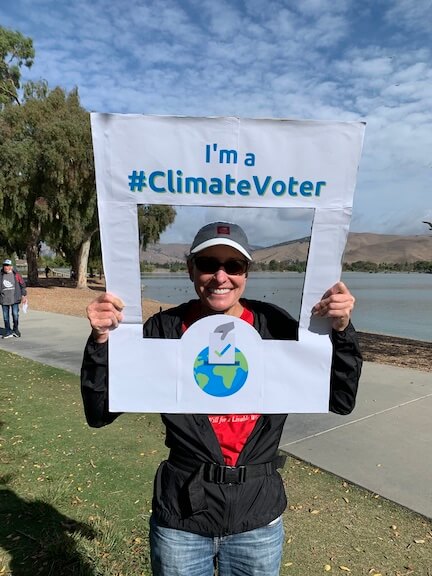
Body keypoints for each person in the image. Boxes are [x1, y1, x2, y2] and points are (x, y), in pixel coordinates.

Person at [81, 222, 362, 576]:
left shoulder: (275, 325)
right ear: (190, 268)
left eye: (233, 266)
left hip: (257, 517)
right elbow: (100, 412)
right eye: (208, 264)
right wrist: (101, 342)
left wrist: (341, 331)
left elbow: (340, 398)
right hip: (182, 517)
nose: (220, 276)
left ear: (246, 273)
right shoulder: (162, 330)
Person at [1, 258, 27, 339]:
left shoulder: (16, 275)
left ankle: (15, 330)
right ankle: (8, 331)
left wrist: (23, 295)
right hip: (4, 299)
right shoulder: (1, 275)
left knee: (15, 315)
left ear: (11, 266)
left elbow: (22, 285)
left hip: (15, 299)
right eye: (5, 265)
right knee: (6, 317)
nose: (6, 267)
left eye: (8, 265)